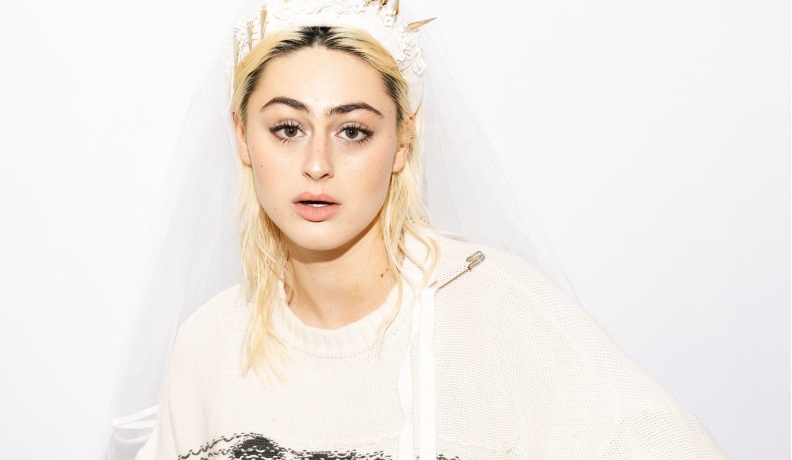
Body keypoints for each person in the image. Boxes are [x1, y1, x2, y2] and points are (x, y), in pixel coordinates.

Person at [105, 0, 727, 458]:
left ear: (402, 141)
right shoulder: (209, 345)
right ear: (242, 137)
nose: (317, 163)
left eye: (353, 130)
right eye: (287, 129)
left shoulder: (495, 308)